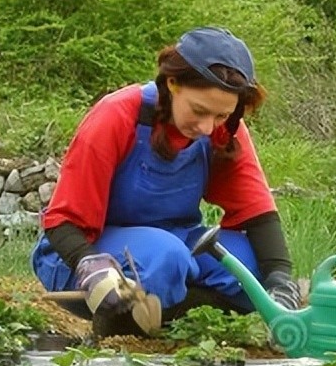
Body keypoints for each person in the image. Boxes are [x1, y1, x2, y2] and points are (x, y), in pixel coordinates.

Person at [31, 26, 301, 335]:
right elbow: (62, 219)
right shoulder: (117, 115)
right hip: (85, 252)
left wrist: (280, 280)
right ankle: (122, 322)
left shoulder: (224, 131)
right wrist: (88, 262)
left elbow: (258, 214)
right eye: (199, 111)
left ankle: (171, 316)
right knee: (166, 256)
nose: (208, 128)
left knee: (250, 269)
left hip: (176, 241)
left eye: (221, 116)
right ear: (172, 84)